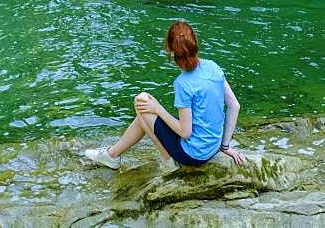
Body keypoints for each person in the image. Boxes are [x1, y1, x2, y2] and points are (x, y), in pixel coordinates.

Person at [84, 20, 245, 172]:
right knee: (144, 115)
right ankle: (112, 154)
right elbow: (234, 106)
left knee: (141, 100)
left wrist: (158, 109)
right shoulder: (213, 67)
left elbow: (185, 132)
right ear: (195, 43)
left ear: (171, 51)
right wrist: (225, 147)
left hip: (193, 155)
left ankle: (168, 161)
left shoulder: (183, 83)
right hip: (212, 147)